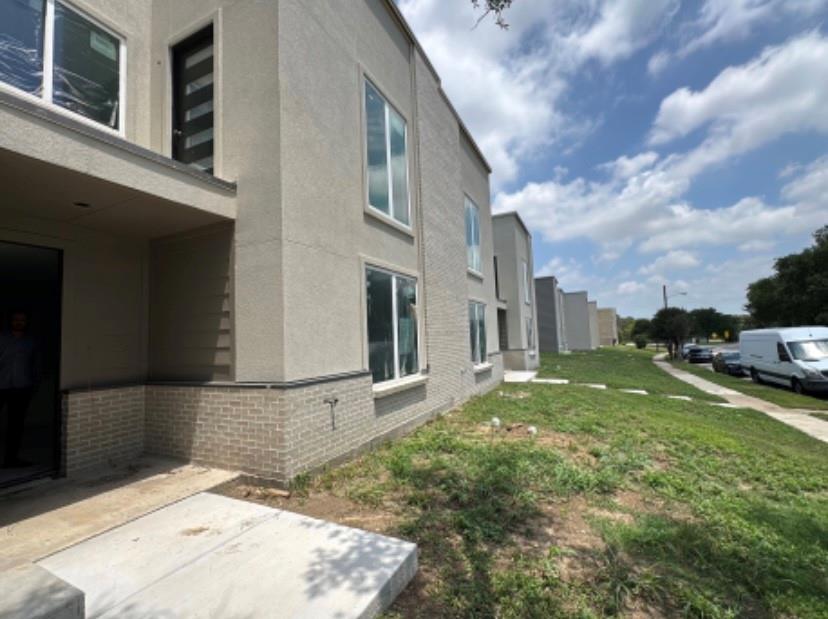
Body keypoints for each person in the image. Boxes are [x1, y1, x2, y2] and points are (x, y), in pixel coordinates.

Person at [0, 310, 41, 468]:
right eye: (16, 319)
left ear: (26, 322)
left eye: (22, 320)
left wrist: (34, 386)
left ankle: (11, 459)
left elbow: (36, 365)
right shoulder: (1, 338)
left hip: (21, 387)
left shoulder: (31, 342)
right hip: (1, 385)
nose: (18, 322)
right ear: (10, 321)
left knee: (15, 426)